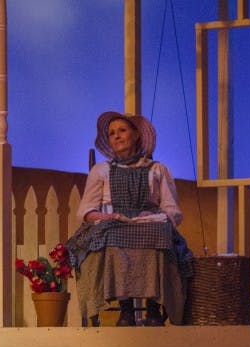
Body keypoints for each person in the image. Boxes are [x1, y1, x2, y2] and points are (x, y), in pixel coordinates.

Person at [65, 111, 193, 327]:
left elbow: (172, 210)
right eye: (112, 133)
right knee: (113, 234)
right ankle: (126, 310)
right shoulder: (101, 171)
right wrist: (108, 216)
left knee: (159, 234)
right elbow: (86, 210)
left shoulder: (157, 170)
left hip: (149, 224)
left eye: (122, 130)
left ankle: (153, 308)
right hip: (114, 223)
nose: (116, 136)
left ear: (136, 135)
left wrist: (156, 218)